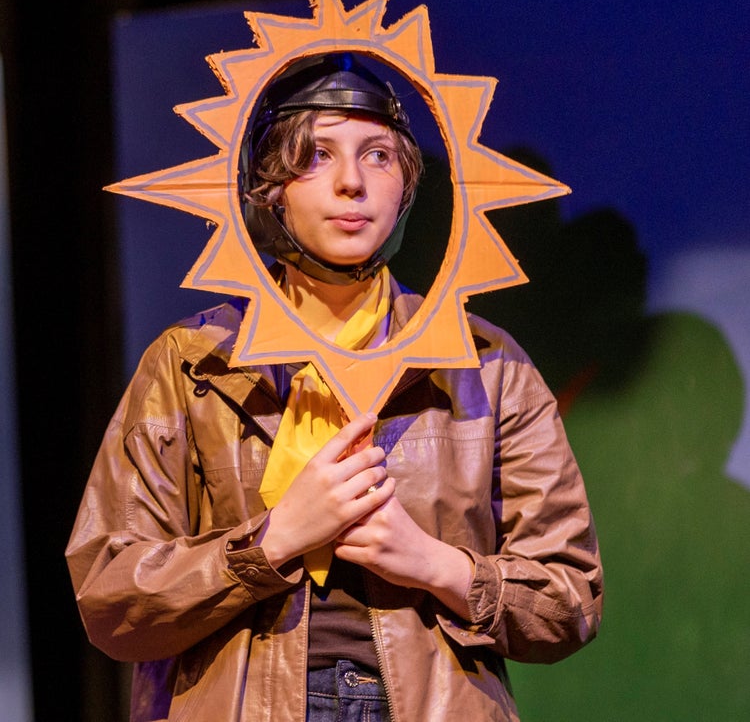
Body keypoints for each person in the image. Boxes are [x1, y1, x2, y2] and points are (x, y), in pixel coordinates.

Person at [66, 52, 603, 722]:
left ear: (407, 183)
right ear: (269, 187)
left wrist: (432, 562)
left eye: (378, 155)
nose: (352, 183)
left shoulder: (487, 364)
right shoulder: (191, 365)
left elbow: (569, 597)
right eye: (316, 154)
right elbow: (110, 593)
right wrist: (271, 542)